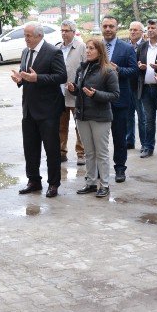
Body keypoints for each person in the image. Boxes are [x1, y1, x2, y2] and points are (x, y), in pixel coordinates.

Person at [12, 23, 67, 197]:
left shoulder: (53, 52)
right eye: (25, 35)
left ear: (39, 36)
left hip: (48, 109)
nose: (26, 39)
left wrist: (38, 78)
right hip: (28, 108)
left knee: (51, 149)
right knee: (30, 148)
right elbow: (27, 75)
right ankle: (34, 180)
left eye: (28, 35)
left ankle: (54, 184)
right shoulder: (25, 52)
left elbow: (61, 76)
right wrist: (20, 80)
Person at [70, 38, 120, 198]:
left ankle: (104, 185)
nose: (88, 51)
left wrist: (96, 94)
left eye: (92, 48)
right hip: (83, 116)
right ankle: (91, 182)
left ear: (100, 51)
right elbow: (81, 91)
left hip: (100, 118)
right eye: (87, 48)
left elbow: (115, 95)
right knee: (89, 152)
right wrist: (74, 89)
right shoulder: (82, 68)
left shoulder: (108, 70)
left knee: (102, 152)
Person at [100, 16, 138, 182]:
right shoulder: (96, 46)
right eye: (105, 26)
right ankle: (99, 171)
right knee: (99, 138)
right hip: (98, 100)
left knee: (119, 136)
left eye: (111, 26)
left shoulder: (126, 48)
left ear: (117, 28)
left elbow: (134, 70)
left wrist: (118, 70)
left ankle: (120, 168)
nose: (108, 29)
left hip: (120, 99)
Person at [56, 20, 86, 163]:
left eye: (66, 30)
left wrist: (78, 85)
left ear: (73, 32)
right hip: (59, 93)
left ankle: (81, 153)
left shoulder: (81, 47)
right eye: (62, 30)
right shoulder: (58, 48)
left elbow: (87, 69)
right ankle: (61, 151)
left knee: (79, 124)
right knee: (61, 125)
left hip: (76, 93)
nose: (64, 33)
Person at [136, 19, 157, 159]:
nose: (150, 30)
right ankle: (148, 147)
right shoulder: (142, 46)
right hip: (146, 88)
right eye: (148, 28)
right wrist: (140, 66)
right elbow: (137, 63)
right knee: (148, 119)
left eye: (153, 27)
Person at [126, 20, 145, 151]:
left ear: (142, 32)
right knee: (128, 116)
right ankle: (129, 141)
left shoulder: (146, 46)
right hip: (127, 85)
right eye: (131, 29)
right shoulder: (125, 46)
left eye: (135, 30)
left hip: (140, 87)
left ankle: (145, 143)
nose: (132, 32)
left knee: (142, 117)